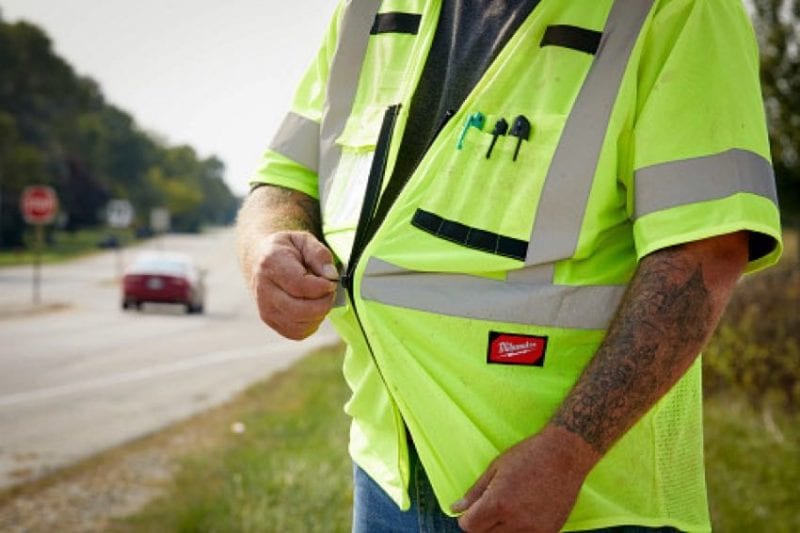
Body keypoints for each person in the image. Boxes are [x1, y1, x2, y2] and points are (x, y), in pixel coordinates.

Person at [236, 0, 783, 531]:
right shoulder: (369, 7)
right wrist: (266, 244)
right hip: (388, 477)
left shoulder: (681, 8)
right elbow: (286, 173)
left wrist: (568, 451)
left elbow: (703, 256)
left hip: (576, 497)